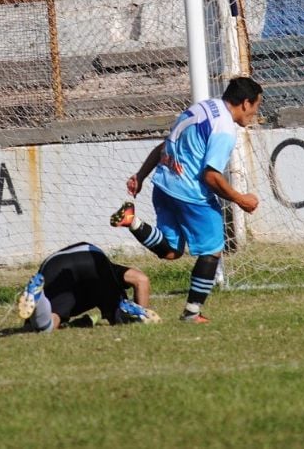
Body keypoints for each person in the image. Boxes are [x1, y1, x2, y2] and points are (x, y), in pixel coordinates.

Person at [110, 77, 263, 324]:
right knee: (212, 251)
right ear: (246, 103)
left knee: (171, 251)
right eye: (256, 106)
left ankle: (133, 221)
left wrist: (141, 175)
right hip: (191, 195)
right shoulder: (224, 129)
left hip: (163, 185)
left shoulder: (201, 107)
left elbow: (164, 146)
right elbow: (211, 177)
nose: (256, 112)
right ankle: (192, 313)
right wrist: (240, 200)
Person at [16, 241, 160, 333]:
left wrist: (32, 323)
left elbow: (27, 327)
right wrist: (144, 308)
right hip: (94, 258)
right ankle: (134, 314)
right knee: (117, 316)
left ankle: (38, 295)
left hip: (55, 264)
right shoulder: (112, 269)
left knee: (48, 323)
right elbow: (142, 280)